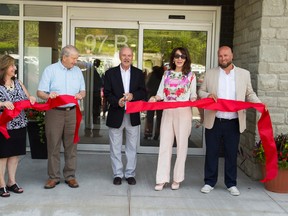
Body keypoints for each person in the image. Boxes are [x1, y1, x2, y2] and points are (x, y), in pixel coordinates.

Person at [198, 46, 261, 196]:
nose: (223, 58)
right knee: (211, 153)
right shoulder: (210, 73)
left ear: (232, 55)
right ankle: (209, 182)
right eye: (220, 56)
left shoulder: (244, 74)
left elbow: (249, 93)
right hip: (214, 119)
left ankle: (231, 183)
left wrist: (259, 104)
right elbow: (200, 91)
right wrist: (208, 95)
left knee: (231, 154)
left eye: (225, 55)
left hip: (233, 121)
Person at [37, 45, 86, 189]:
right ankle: (53, 177)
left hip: (72, 112)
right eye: (74, 58)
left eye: (76, 58)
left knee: (71, 146)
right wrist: (48, 95)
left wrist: (80, 95)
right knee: (53, 145)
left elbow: (83, 90)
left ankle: (70, 176)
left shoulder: (77, 71)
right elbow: (40, 92)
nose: (75, 61)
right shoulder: (50, 70)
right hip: (54, 112)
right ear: (64, 57)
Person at [149, 47, 197, 191]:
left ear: (186, 58)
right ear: (173, 58)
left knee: (182, 147)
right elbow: (160, 94)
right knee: (165, 145)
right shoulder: (166, 74)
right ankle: (162, 179)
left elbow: (193, 95)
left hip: (184, 113)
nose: (180, 58)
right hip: (168, 112)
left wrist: (196, 101)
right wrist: (154, 98)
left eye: (182, 56)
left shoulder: (191, 75)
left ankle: (177, 179)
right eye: (177, 56)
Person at [104, 46, 146, 186]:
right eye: (124, 55)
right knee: (115, 147)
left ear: (132, 57)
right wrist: (118, 102)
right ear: (119, 56)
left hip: (132, 115)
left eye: (129, 55)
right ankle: (117, 174)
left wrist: (133, 95)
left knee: (132, 147)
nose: (127, 58)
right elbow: (107, 94)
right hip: (116, 113)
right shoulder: (110, 73)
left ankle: (129, 174)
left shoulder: (139, 73)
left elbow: (143, 93)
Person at [0, 55, 36, 197]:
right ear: (4, 67)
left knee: (14, 155)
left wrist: (31, 99)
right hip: (3, 126)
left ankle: (12, 182)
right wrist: (2, 104)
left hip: (19, 124)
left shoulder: (18, 82)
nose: (15, 68)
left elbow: (28, 98)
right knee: (2, 155)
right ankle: (1, 184)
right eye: (12, 66)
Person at [144, 66, 164, 140]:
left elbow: (147, 85)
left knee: (149, 116)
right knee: (159, 118)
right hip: (161, 99)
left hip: (151, 98)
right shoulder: (163, 76)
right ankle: (157, 134)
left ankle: (148, 132)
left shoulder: (151, 75)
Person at [92, 59, 102, 124]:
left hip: (96, 91)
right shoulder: (93, 71)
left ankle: (96, 116)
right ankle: (95, 117)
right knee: (95, 105)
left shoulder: (94, 70)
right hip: (95, 91)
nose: (99, 65)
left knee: (96, 104)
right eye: (98, 63)